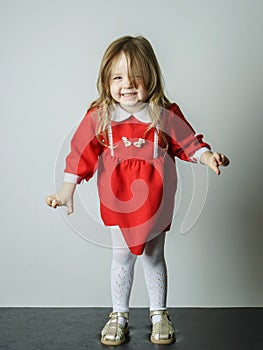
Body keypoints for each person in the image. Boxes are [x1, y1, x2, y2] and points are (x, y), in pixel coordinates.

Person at [46, 35, 229, 346]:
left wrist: (207, 156)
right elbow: (80, 153)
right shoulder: (100, 116)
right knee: (121, 257)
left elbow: (188, 143)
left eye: (135, 77)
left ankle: (159, 313)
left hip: (156, 201)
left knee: (155, 256)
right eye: (118, 77)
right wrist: (67, 190)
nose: (127, 85)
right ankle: (119, 314)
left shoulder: (163, 112)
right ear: (106, 80)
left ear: (151, 79)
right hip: (118, 202)